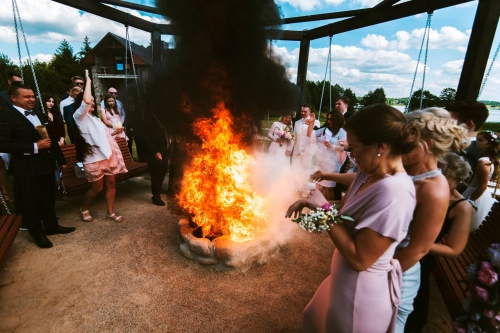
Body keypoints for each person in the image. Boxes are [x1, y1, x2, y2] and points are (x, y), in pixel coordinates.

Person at [287, 104, 420, 333]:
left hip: (360, 296)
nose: (351, 154)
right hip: (342, 281)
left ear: (380, 147)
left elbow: (361, 259)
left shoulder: (395, 192)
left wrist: (325, 209)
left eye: (355, 147)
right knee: (313, 318)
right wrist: (313, 202)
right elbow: (352, 209)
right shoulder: (369, 173)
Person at [394, 108, 469, 331]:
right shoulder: (407, 172)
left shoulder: (434, 188)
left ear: (427, 144)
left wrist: (377, 276)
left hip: (398, 270)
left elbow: (417, 249)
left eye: (407, 143)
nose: (399, 148)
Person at [0, 83, 75, 248]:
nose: (31, 99)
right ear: (14, 98)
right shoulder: (6, 116)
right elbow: (3, 144)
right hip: (25, 169)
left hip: (46, 165)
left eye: (33, 96)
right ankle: (37, 234)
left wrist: (61, 161)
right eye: (26, 96)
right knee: (30, 203)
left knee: (48, 198)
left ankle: (52, 226)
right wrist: (34, 147)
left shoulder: (40, 115)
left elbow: (52, 141)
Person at [405, 152, 473, 333]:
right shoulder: (424, 187)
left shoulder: (461, 208)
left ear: (458, 180)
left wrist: (416, 243)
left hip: (421, 257)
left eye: (446, 180)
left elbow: (454, 249)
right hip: (401, 247)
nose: (438, 183)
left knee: (410, 315)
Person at [72, 70, 128, 223]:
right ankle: (84, 208)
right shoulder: (79, 117)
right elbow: (84, 102)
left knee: (111, 185)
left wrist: (116, 133)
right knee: (97, 188)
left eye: (92, 103)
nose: (91, 104)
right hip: (93, 158)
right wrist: (88, 80)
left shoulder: (95, 119)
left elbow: (104, 137)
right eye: (89, 103)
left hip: (107, 155)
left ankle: (110, 213)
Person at [462, 130, 499, 231]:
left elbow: (482, 185)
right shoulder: (489, 160)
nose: (477, 142)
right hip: (481, 193)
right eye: (477, 139)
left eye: (481, 140)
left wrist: (469, 201)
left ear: (489, 144)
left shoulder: (482, 161)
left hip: (475, 193)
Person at [136, 106, 170, 206]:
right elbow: (146, 139)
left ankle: (158, 188)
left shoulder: (164, 120)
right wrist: (155, 152)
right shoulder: (149, 121)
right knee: (156, 174)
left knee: (163, 170)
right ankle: (156, 196)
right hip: (154, 153)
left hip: (164, 150)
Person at [445, 101, 489, 178]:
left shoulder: (467, 154)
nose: (443, 125)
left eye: (448, 121)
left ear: (468, 124)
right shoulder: (470, 147)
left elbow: (458, 184)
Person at [313, 111, 347, 200]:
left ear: (337, 120)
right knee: (318, 187)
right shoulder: (325, 130)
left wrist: (333, 146)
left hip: (332, 163)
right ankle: (319, 206)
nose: (329, 121)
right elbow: (313, 134)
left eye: (331, 119)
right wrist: (316, 147)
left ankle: (329, 209)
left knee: (328, 189)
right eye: (328, 119)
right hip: (321, 161)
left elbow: (344, 148)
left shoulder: (341, 132)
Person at [292, 104, 317, 185]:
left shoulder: (316, 122)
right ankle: (296, 189)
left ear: (310, 112)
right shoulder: (296, 122)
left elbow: (314, 136)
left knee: (305, 172)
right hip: (296, 151)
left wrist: (310, 124)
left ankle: (304, 190)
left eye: (305, 111)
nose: (303, 113)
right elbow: (294, 136)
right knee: (295, 171)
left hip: (307, 152)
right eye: (302, 111)